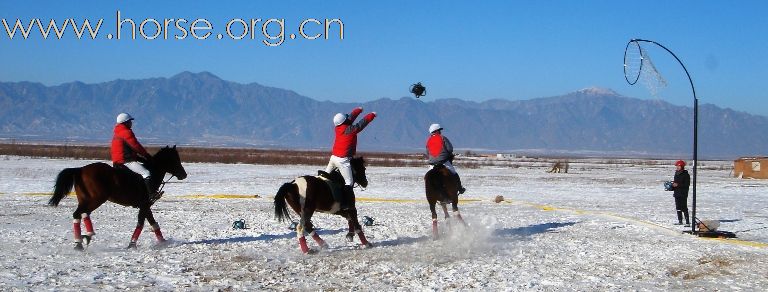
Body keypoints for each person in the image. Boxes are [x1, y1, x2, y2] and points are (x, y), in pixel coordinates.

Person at [324, 107, 376, 210]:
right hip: (343, 160)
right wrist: (372, 115)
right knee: (349, 182)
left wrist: (358, 110)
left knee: (324, 177)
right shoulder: (350, 130)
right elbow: (361, 124)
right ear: (344, 121)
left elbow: (349, 119)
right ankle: (345, 204)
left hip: (333, 158)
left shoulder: (338, 128)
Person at [111, 113, 159, 202]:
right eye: (130, 121)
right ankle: (151, 194)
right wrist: (146, 155)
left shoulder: (117, 133)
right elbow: (136, 146)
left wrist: (139, 158)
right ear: (125, 122)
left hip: (119, 160)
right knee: (146, 172)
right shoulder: (126, 132)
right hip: (126, 161)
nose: (131, 123)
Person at [426, 123, 466, 197]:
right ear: (437, 131)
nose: (440, 132)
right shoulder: (443, 138)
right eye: (439, 130)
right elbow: (450, 149)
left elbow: (428, 152)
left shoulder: (428, 140)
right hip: (443, 162)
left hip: (432, 164)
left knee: (427, 177)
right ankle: (460, 188)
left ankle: (429, 191)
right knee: (454, 173)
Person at [671, 160, 691, 226]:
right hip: (677, 193)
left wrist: (678, 185)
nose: (677, 167)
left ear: (682, 166)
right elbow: (675, 183)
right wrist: (672, 186)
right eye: (677, 166)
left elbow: (686, 184)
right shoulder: (676, 174)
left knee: (684, 207)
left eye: (679, 166)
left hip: (683, 193)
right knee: (678, 207)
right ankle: (680, 221)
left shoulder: (686, 175)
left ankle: (687, 222)